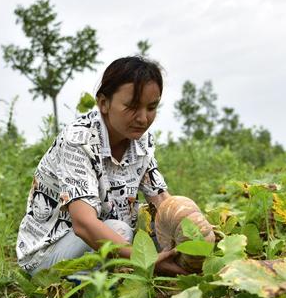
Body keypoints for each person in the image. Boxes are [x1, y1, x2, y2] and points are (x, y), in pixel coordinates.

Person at [16, 56, 187, 277]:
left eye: (151, 107)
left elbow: (163, 201)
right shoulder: (78, 141)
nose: (143, 118)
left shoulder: (140, 141)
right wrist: (145, 260)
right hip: (48, 256)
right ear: (103, 103)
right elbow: (84, 224)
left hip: (102, 239)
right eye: (132, 107)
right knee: (119, 231)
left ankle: (124, 277)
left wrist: (191, 230)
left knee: (165, 228)